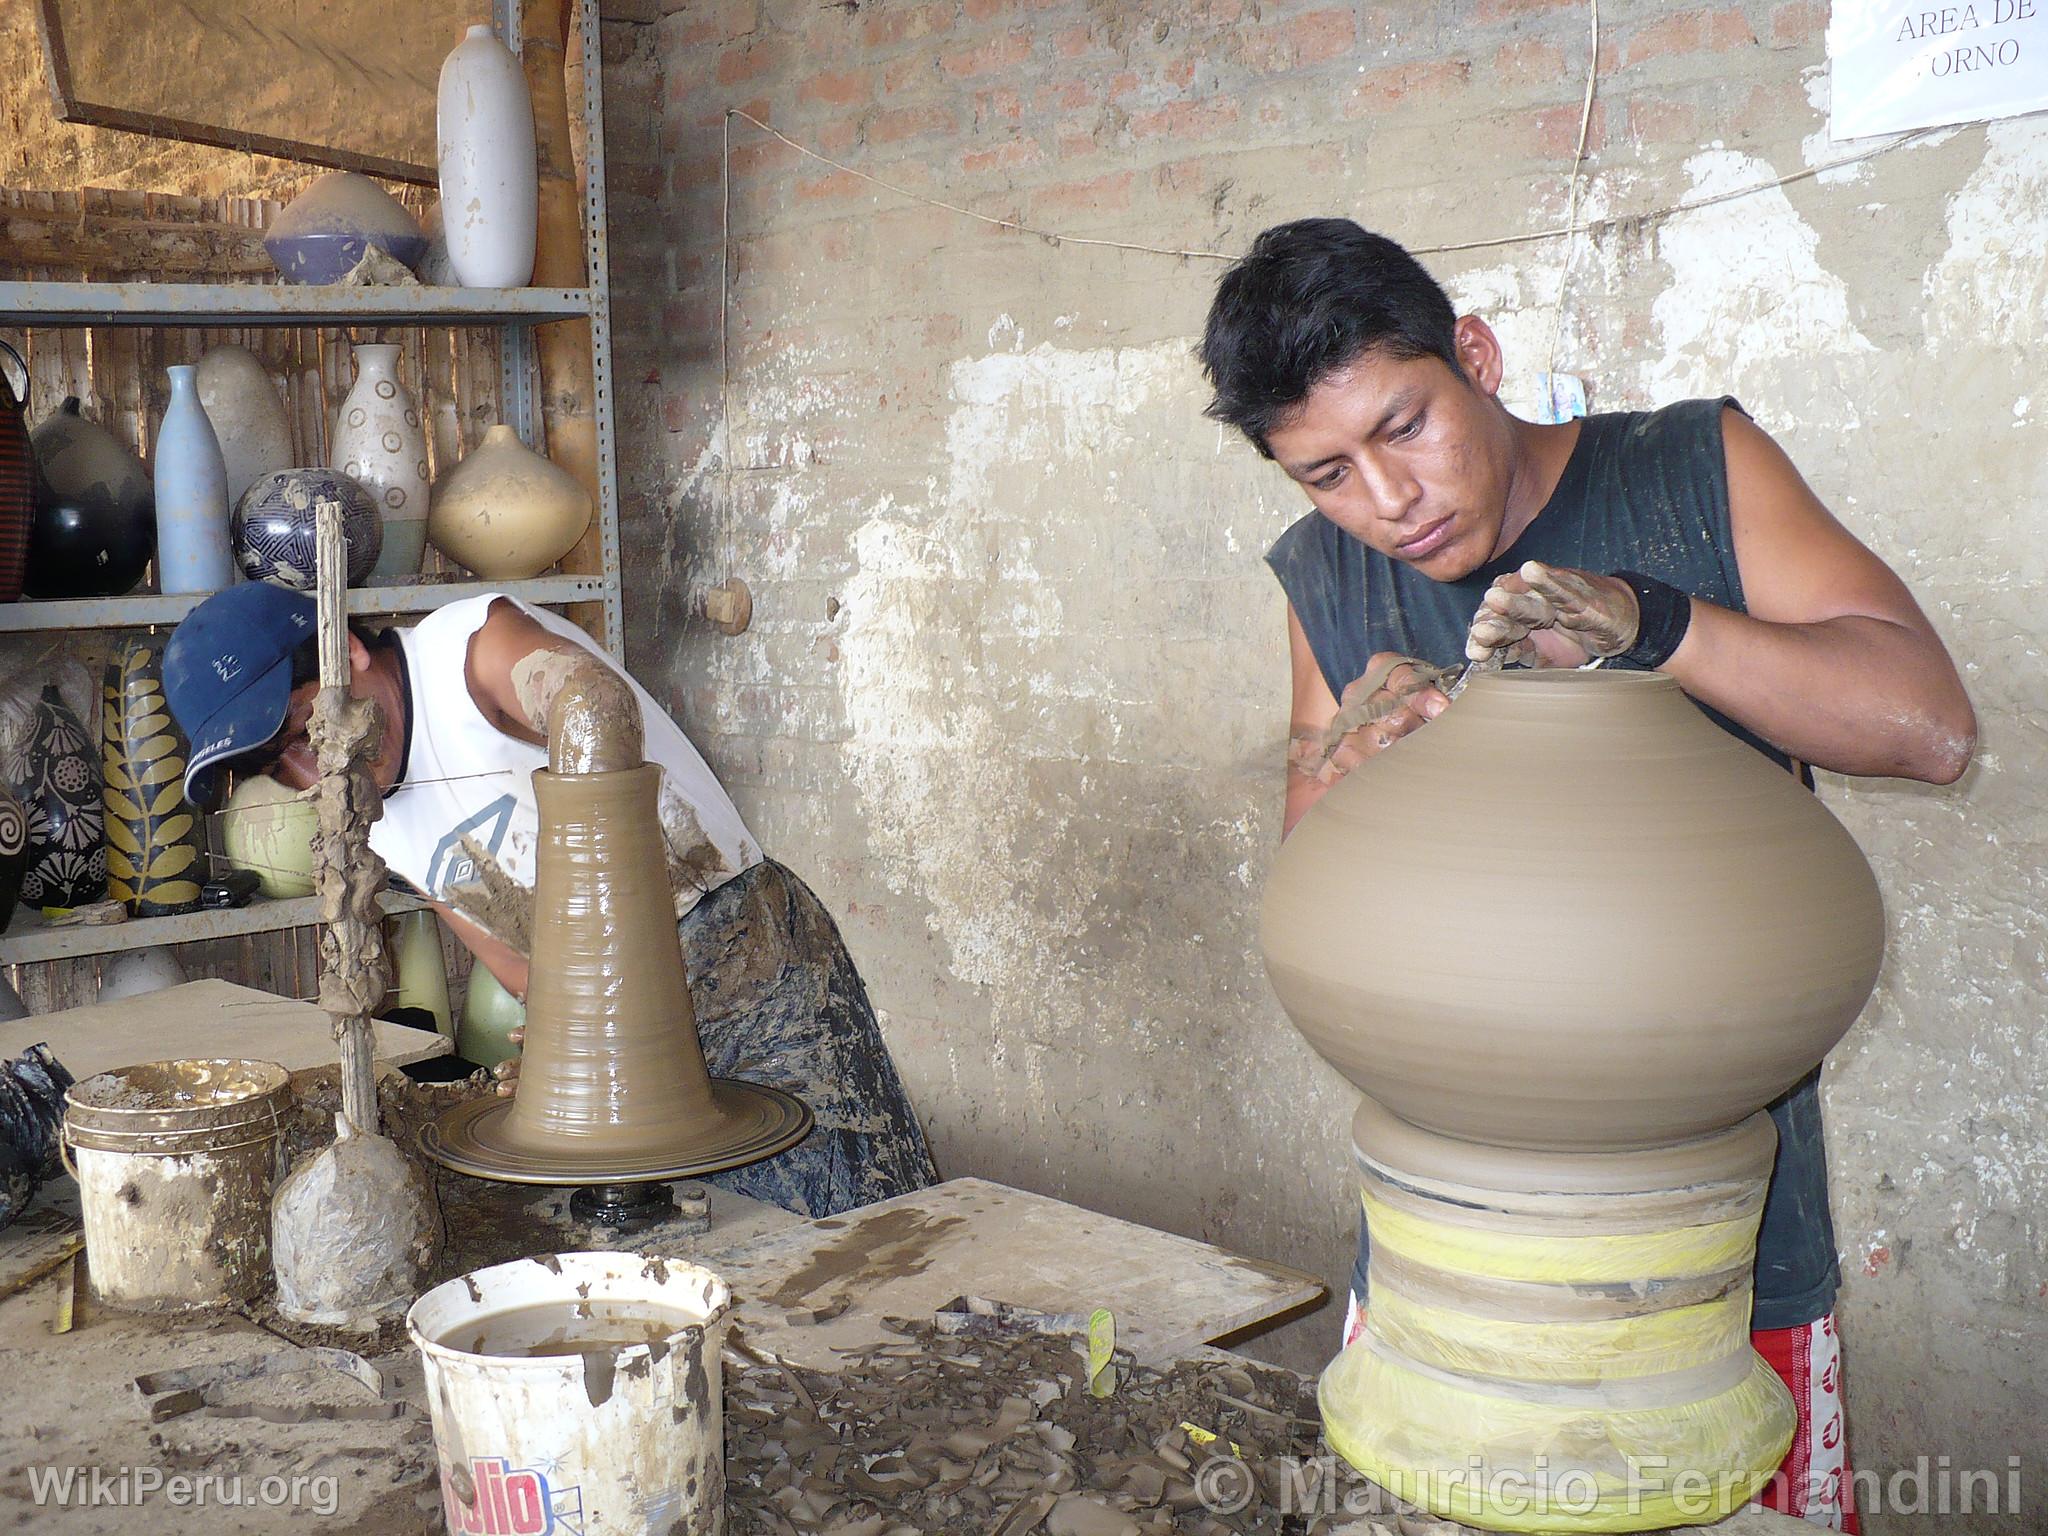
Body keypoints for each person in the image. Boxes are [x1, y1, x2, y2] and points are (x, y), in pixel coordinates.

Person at [1200, 218, 1975, 1532]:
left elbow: (1931, 728)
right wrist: (1361, 757)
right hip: (1450, 1245)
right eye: (1326, 472)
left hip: (1718, 1224)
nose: (1386, 500)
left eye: (1406, 427)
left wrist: (1653, 622)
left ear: (1478, 357)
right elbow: (1309, 888)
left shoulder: (1689, 469)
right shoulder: (1331, 579)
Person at [163, 585, 938, 1219]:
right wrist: (562, 1048)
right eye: (280, 768)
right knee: (723, 1266)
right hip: (620, 1030)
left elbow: (594, 706)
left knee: (860, 1235)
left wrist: (612, 987)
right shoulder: (379, 818)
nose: (311, 773)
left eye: (302, 728)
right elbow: (525, 966)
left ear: (349, 655)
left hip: (745, 960)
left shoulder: (472, 652)